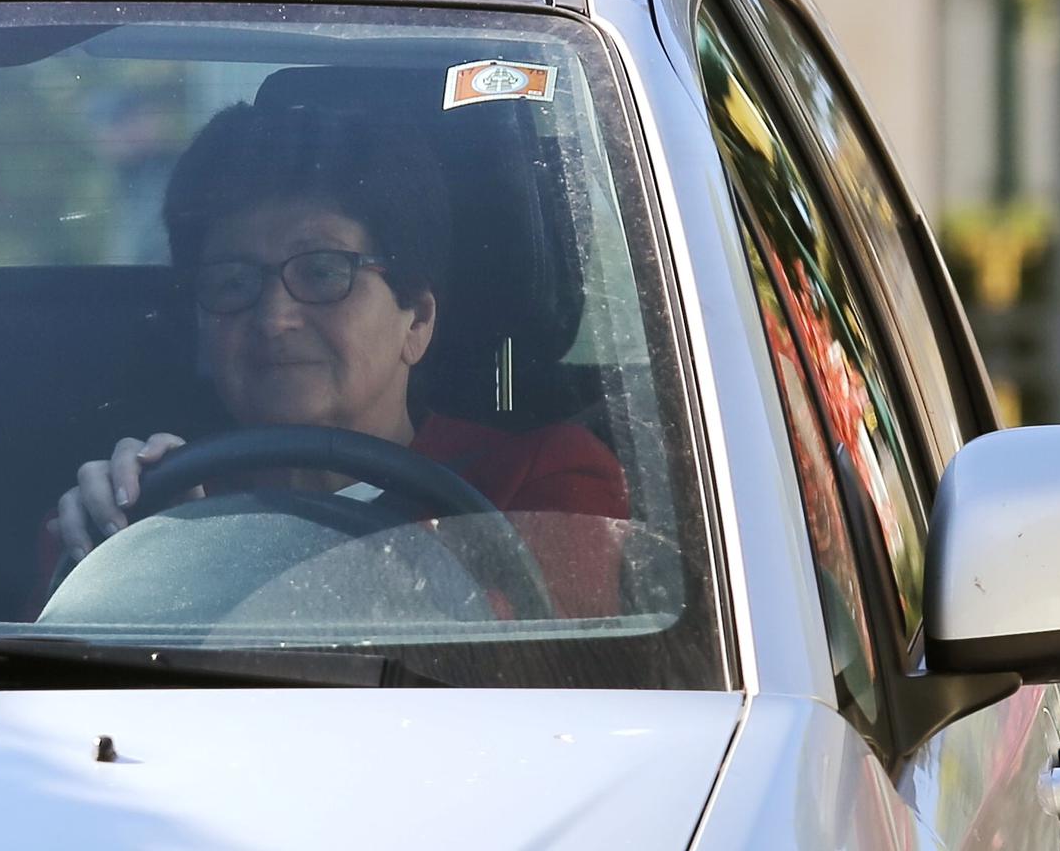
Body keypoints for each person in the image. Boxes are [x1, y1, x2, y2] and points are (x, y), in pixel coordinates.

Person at [46, 101, 628, 618]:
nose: (274, 318)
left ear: (417, 320)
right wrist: (125, 543)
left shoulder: (535, 483)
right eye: (232, 282)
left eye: (323, 272)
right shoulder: (160, 512)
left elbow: (540, 677)